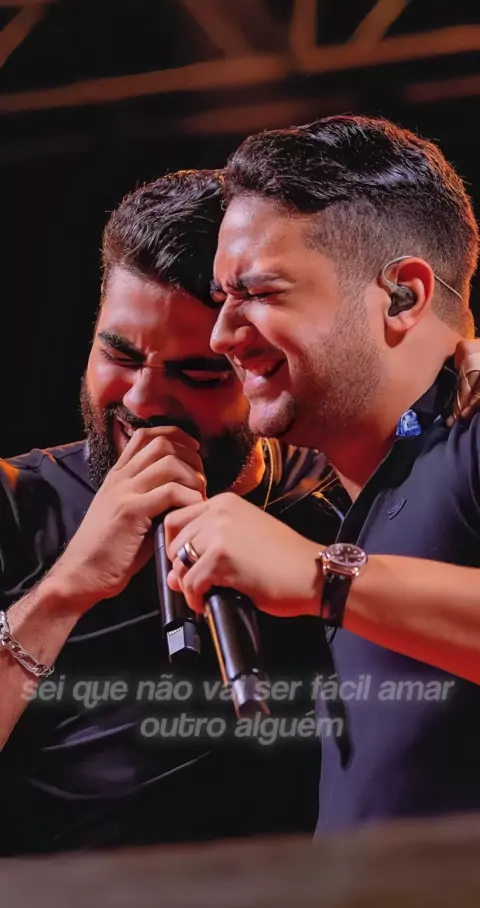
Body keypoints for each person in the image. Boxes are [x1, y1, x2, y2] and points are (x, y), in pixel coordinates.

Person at [0, 169, 340, 856]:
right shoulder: (17, 502)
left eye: (199, 373)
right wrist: (67, 588)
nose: (144, 400)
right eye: (118, 354)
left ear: (265, 363)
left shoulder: (339, 496)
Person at [164, 116, 480, 832]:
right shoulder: (367, 496)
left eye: (261, 292)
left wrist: (325, 578)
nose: (221, 335)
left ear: (403, 296)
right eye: (223, 298)